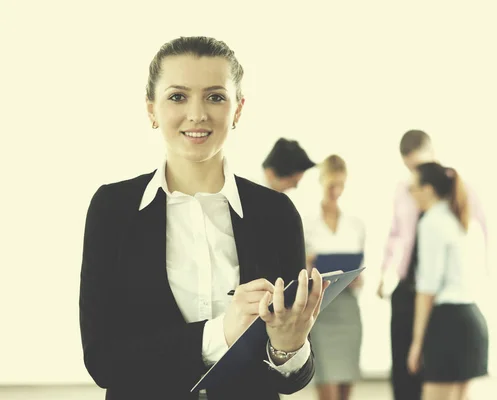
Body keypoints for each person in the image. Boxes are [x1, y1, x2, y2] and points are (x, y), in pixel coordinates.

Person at [78, 36, 329, 400]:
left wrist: (287, 346)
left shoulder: (276, 214)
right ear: (151, 109)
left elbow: (290, 379)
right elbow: (104, 360)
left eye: (215, 96)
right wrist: (220, 333)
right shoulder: (113, 209)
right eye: (178, 96)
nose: (197, 114)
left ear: (238, 109)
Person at [377, 130, 487, 400]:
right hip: (456, 310)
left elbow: (428, 287)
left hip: (440, 310)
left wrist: (416, 346)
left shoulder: (439, 216)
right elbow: (395, 234)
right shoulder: (436, 209)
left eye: (416, 172)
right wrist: (384, 273)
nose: (410, 184)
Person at [406, 162, 488, 400]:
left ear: (428, 189)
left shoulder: (431, 222)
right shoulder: (462, 219)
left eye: (413, 188)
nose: (410, 194)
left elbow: (427, 288)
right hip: (471, 321)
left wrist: (416, 344)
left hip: (448, 324)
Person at [302, 155, 365, 400]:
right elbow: (300, 273)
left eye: (341, 185)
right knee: (326, 382)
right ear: (320, 183)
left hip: (349, 307)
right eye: (331, 185)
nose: (336, 192)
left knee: (346, 381)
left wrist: (358, 279)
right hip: (321, 308)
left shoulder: (355, 224)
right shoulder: (307, 224)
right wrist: (308, 264)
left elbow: (360, 268)